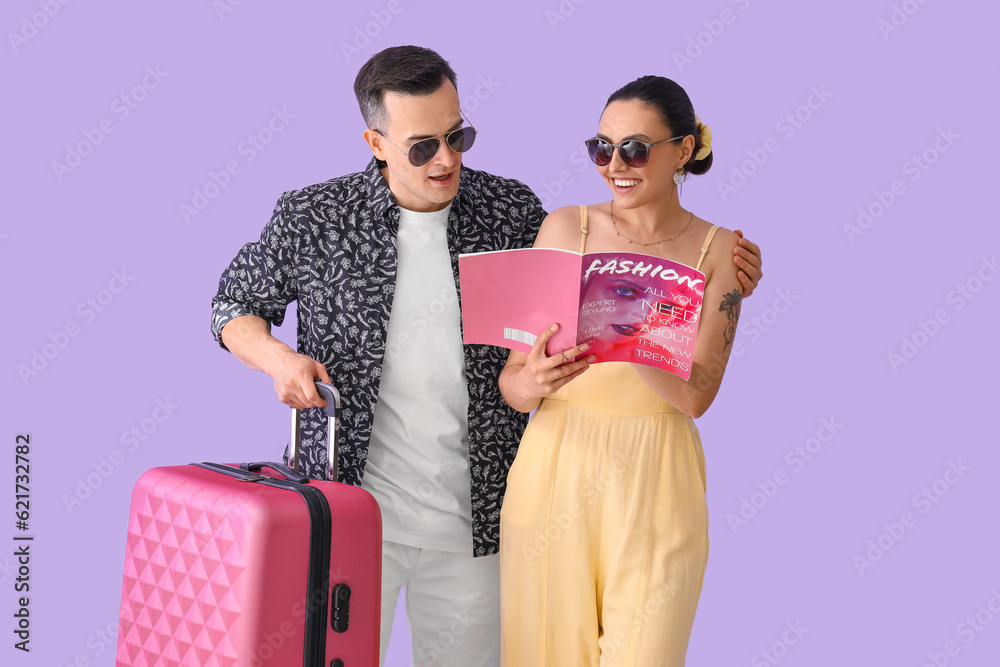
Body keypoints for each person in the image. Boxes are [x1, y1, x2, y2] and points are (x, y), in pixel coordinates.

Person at [211, 47, 763, 666]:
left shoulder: (510, 212)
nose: (446, 159)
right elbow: (232, 307)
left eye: (458, 135)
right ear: (376, 141)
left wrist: (716, 280)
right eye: (423, 146)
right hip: (351, 513)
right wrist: (278, 360)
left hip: (478, 521)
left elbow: (601, 264)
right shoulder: (315, 217)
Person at [498, 75, 743, 666]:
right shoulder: (564, 228)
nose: (615, 165)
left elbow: (698, 395)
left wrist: (632, 332)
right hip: (555, 461)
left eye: (635, 147)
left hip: (660, 472)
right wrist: (534, 381)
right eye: (601, 148)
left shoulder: (722, 253)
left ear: (683, 150)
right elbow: (513, 384)